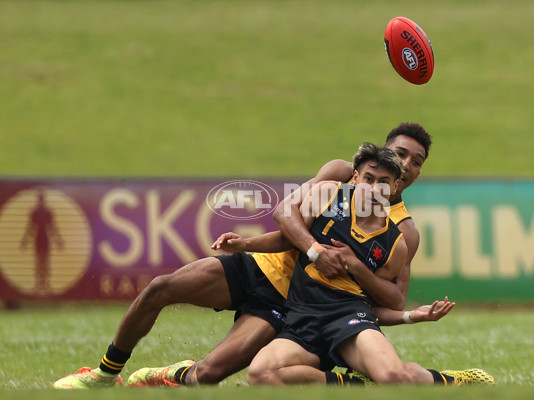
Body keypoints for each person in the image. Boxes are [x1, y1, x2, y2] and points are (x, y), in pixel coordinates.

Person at [52, 123, 456, 389]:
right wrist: (308, 250)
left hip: (291, 304)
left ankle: (171, 373)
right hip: (263, 264)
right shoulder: (340, 175)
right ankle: (105, 375)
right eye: (399, 153)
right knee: (162, 287)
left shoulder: (403, 232)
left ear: (418, 173)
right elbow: (286, 214)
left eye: (415, 162)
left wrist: (395, 314)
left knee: (207, 376)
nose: (405, 164)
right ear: (379, 156)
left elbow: (384, 296)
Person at [246, 143, 494, 386]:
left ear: (394, 187)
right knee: (260, 374)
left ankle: (451, 380)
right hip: (302, 318)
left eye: (383, 182)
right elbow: (289, 238)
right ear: (355, 177)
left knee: (394, 378)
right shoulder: (328, 195)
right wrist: (243, 244)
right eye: (369, 179)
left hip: (350, 319)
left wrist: (407, 315)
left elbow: (382, 301)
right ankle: (354, 384)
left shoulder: (395, 243)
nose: (374, 188)